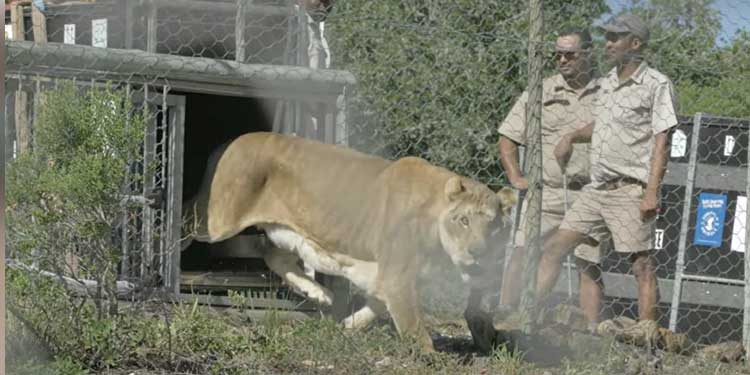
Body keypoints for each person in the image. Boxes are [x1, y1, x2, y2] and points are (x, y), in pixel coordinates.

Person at [535, 14, 678, 327]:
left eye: (616, 38)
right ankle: (526, 318)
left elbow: (663, 140)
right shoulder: (609, 82)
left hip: (630, 189)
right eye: (607, 37)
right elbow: (604, 124)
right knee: (554, 248)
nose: (608, 44)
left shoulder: (656, 84)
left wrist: (651, 191)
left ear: (636, 44)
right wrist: (572, 136)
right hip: (596, 190)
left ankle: (647, 337)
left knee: (641, 265)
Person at [497, 28, 601, 312]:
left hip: (591, 195)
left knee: (589, 264)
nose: (563, 60)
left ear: (589, 54)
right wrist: (516, 177)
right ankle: (505, 315)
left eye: (570, 54)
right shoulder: (541, 92)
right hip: (547, 192)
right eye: (558, 55)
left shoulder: (608, 94)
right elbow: (508, 138)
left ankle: (590, 334)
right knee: (522, 251)